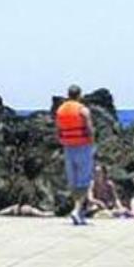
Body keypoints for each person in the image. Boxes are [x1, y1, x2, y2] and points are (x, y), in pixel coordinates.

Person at [55, 85, 95, 225]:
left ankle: (78, 211)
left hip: (68, 147)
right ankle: (77, 210)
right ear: (79, 95)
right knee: (84, 181)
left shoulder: (60, 110)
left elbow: (58, 130)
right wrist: (92, 144)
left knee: (73, 181)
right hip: (83, 146)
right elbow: (90, 129)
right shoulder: (83, 110)